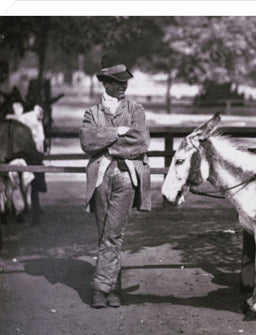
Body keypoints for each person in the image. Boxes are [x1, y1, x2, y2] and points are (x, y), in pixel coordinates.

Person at [80, 53, 151, 308]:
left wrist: (108, 146)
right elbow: (87, 143)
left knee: (112, 234)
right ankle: (114, 290)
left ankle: (99, 288)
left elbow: (140, 143)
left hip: (125, 177)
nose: (123, 86)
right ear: (106, 83)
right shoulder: (91, 113)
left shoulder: (136, 110)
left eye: (125, 82)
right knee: (106, 235)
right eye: (118, 81)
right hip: (99, 179)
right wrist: (118, 132)